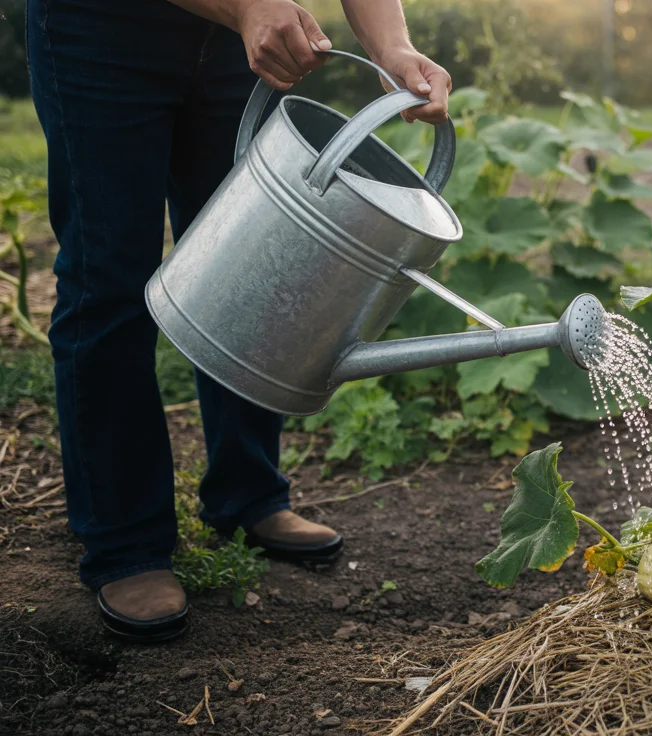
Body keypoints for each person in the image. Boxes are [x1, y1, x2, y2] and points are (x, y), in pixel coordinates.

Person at [26, 0, 451, 643]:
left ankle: (248, 493)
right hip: (100, 30)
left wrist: (392, 47)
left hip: (235, 39)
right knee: (107, 279)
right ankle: (125, 543)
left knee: (261, 256)